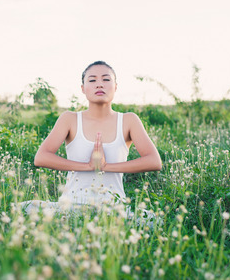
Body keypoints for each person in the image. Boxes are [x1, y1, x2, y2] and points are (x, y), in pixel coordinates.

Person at [20, 61, 162, 219]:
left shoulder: (129, 120)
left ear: (115, 86)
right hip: (71, 206)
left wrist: (105, 166)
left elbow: (154, 161)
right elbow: (41, 157)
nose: (99, 85)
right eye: (92, 80)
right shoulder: (70, 119)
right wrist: (88, 166)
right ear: (83, 88)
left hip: (114, 209)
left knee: (155, 220)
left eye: (106, 80)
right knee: (22, 208)